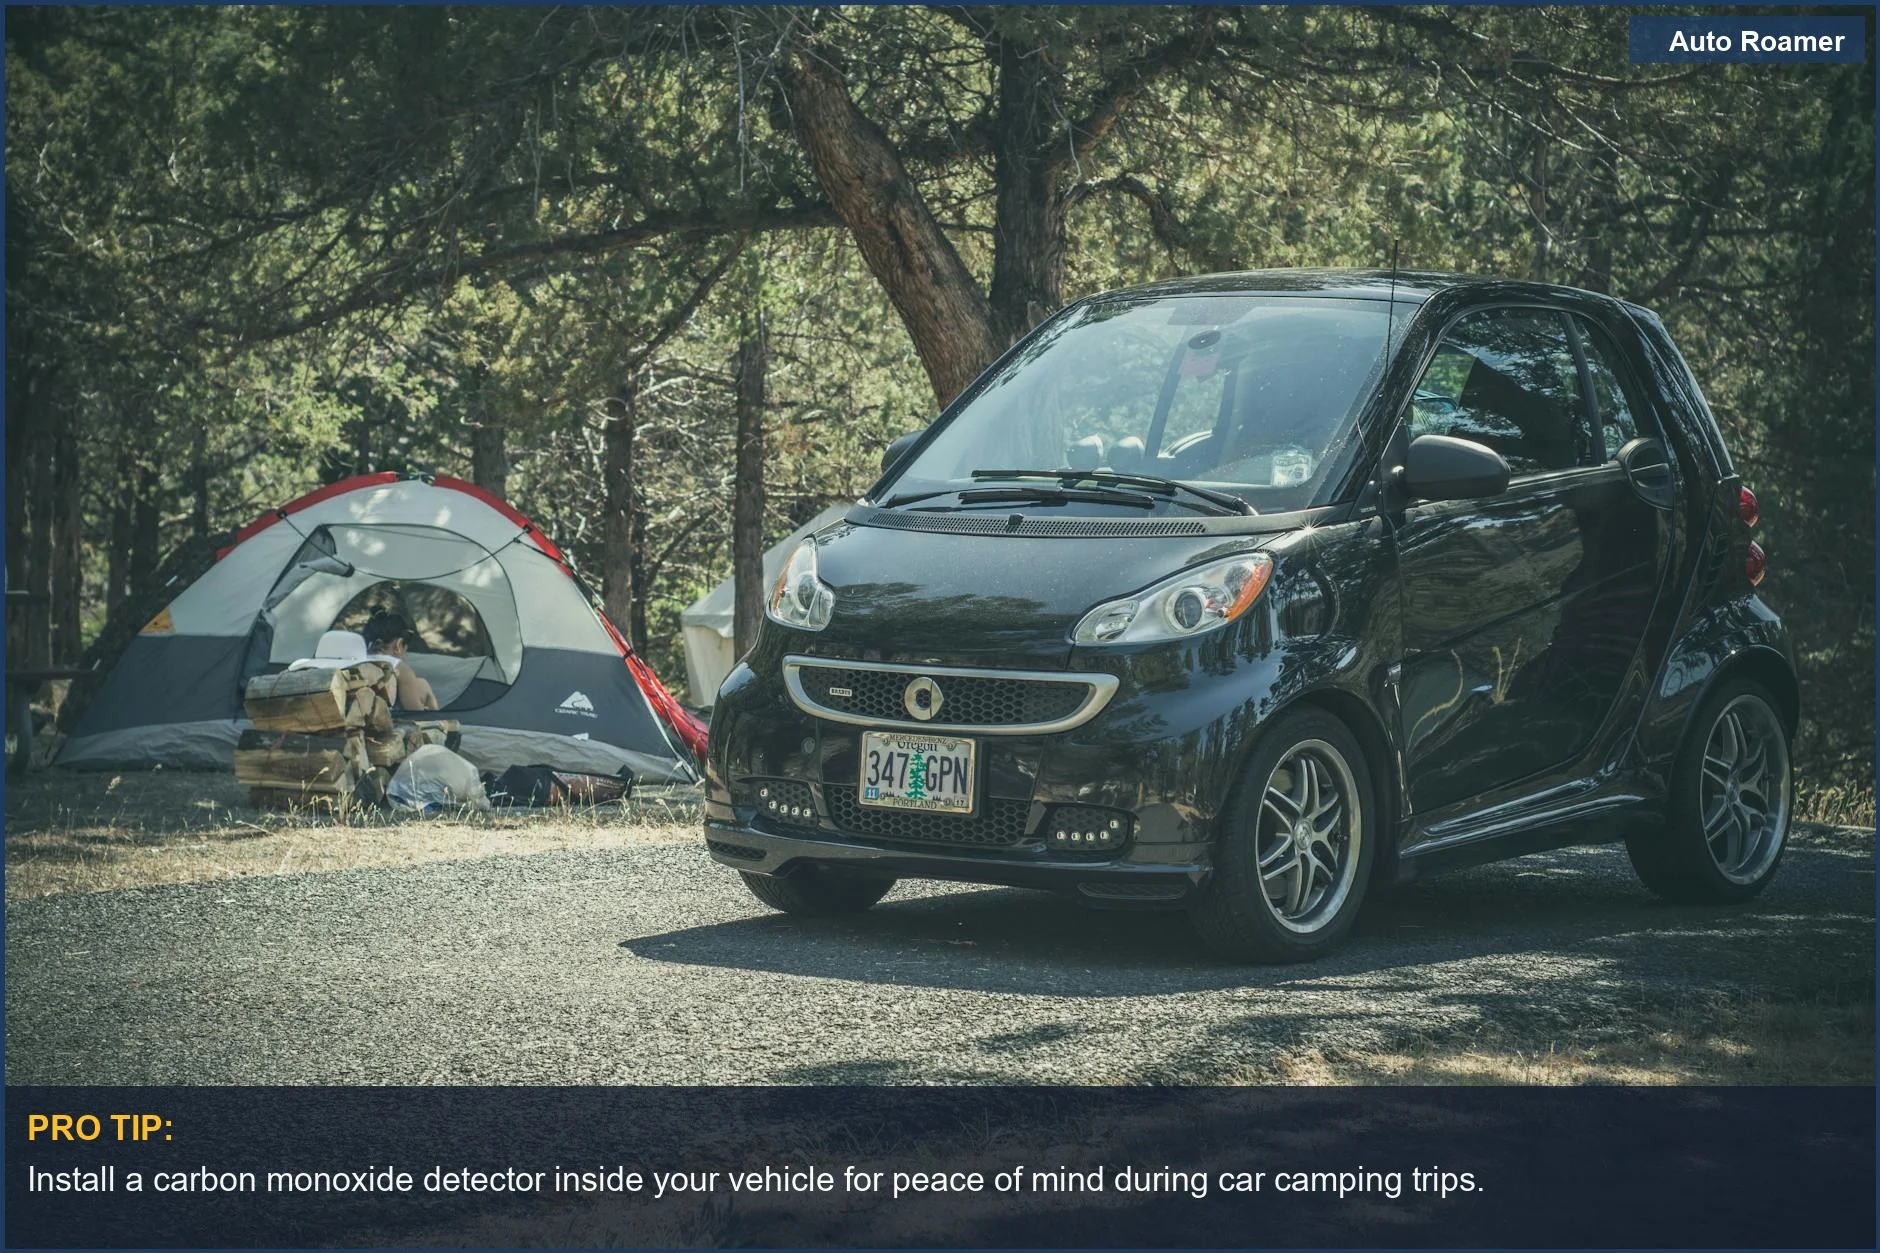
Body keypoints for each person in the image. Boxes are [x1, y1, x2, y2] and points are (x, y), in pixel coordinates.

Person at [361, 610, 440, 711]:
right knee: (423, 684)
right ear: (399, 644)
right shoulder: (399, 667)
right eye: (405, 650)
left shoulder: (356, 661)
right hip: (386, 719)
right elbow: (414, 713)